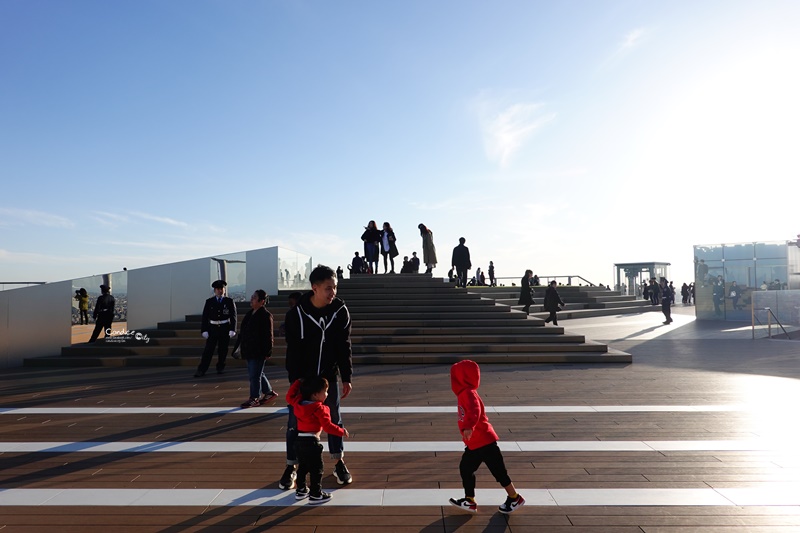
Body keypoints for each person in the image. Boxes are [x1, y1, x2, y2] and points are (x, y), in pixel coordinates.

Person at [280, 265, 353, 491]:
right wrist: (296, 380)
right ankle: (292, 465)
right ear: (314, 288)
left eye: (335, 288)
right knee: (295, 423)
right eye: (328, 288)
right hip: (303, 380)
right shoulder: (296, 315)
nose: (333, 293)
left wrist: (346, 376)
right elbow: (292, 350)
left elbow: (344, 346)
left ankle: (338, 461)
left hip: (328, 378)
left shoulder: (340, 312)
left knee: (333, 419)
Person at [448, 359, 525, 515]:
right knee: (466, 468)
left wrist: (469, 426)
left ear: (461, 378)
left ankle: (514, 497)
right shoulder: (465, 392)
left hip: (484, 441)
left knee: (499, 472)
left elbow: (474, 410)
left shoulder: (468, 393)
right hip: (475, 444)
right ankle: (469, 500)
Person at [286, 376, 350, 504]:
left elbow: (289, 396)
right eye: (325, 391)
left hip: (299, 441)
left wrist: (298, 381)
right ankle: (316, 494)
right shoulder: (320, 409)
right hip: (312, 442)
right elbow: (328, 427)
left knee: (303, 467)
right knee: (317, 469)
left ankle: (301, 489)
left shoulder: (298, 403)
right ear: (315, 395)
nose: (327, 394)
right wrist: (341, 431)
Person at [232, 289, 278, 408]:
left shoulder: (265, 315)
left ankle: (254, 398)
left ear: (261, 301)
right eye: (252, 297)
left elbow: (268, 335)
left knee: (254, 375)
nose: (251, 299)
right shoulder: (250, 314)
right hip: (249, 349)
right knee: (257, 373)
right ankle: (269, 392)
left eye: (254, 297)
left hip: (258, 350)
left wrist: (268, 351)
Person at [195, 279, 237, 377]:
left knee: (223, 350)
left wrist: (232, 329)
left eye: (221, 288)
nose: (220, 290)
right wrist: (204, 330)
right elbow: (205, 317)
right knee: (208, 350)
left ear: (224, 290)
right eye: (217, 289)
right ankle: (202, 369)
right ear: (214, 290)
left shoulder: (229, 301)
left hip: (224, 327)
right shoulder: (209, 302)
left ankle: (220, 367)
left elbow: (233, 316)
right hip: (212, 328)